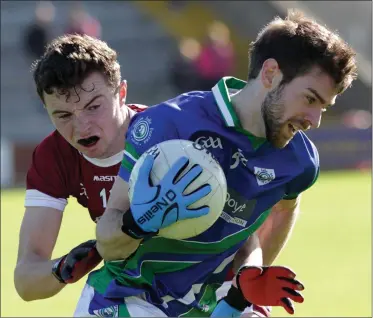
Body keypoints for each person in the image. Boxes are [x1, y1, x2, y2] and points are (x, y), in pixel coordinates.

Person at [75, 9, 357, 317]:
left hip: (204, 307)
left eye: (324, 108)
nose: (315, 121)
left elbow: (274, 215)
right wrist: (142, 220)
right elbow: (108, 243)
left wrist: (246, 284)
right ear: (270, 73)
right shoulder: (171, 124)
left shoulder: (298, 161)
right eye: (310, 99)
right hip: (125, 300)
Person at [14, 34, 146, 302]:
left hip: (206, 282)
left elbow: (242, 224)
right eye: (63, 115)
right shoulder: (54, 156)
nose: (82, 127)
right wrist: (61, 270)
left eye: (93, 107)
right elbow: (26, 281)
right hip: (132, 288)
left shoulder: (169, 132)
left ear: (121, 93)